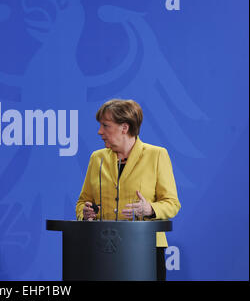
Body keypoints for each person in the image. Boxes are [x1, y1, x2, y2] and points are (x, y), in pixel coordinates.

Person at [76, 99, 180, 281]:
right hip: (104, 248)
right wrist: (85, 213)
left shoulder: (156, 155)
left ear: (124, 128)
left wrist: (149, 209)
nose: (100, 132)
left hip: (145, 249)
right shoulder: (96, 158)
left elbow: (172, 204)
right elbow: (82, 201)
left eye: (105, 126)